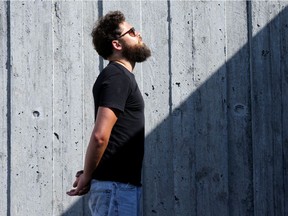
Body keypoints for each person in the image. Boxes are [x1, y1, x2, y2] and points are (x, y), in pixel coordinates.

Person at [66, 11, 151, 216]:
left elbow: (111, 138)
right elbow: (100, 136)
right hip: (116, 189)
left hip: (119, 188)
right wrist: (87, 175)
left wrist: (89, 172)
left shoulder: (120, 77)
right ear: (117, 44)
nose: (138, 34)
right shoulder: (117, 76)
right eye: (131, 32)